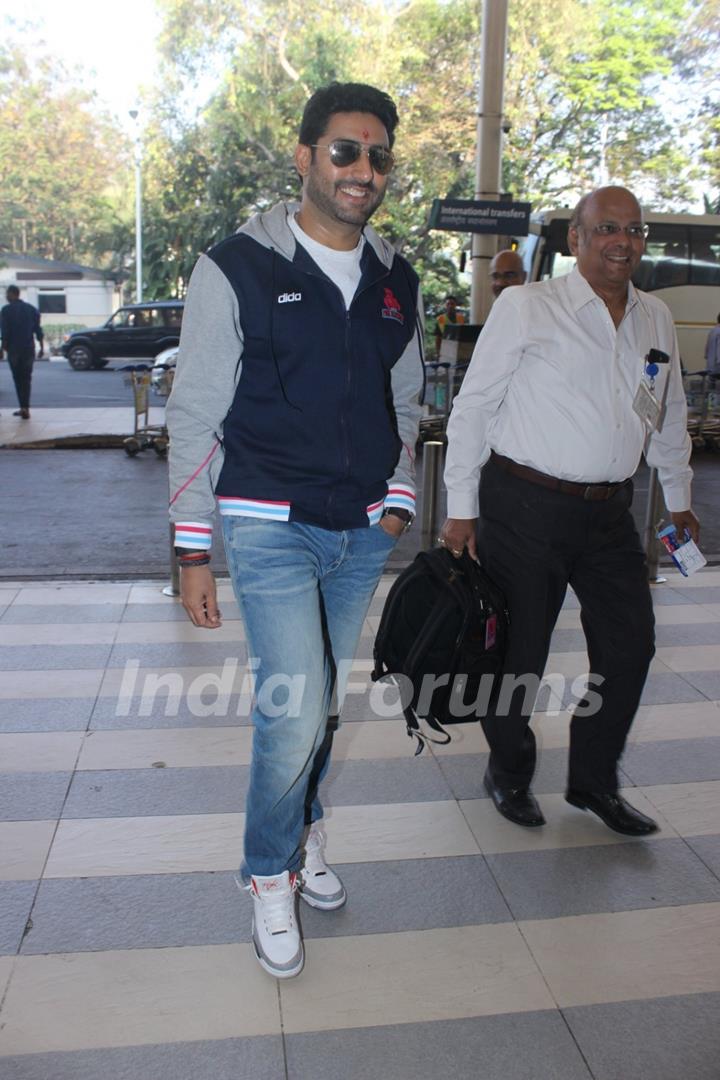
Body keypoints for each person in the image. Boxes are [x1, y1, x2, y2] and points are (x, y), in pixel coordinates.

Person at [167, 82, 423, 980]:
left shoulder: (396, 276)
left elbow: (405, 397)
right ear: (305, 155)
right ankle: (267, 872)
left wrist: (399, 497)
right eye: (346, 150)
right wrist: (192, 549)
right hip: (268, 520)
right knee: (294, 706)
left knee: (319, 703)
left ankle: (306, 830)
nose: (364, 169)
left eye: (380, 154)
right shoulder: (236, 265)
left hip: (358, 529)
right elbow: (195, 412)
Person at [441, 185, 698, 838]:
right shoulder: (531, 308)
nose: (623, 241)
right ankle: (509, 769)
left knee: (630, 645)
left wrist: (682, 499)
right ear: (577, 239)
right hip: (524, 507)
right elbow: (474, 407)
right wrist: (461, 508)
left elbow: (665, 418)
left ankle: (593, 781)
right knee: (518, 655)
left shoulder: (656, 318)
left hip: (611, 514)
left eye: (634, 230)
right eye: (607, 227)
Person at [0, 285, 44, 418]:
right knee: (26, 379)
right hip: (29, 349)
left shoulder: (6, 310)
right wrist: (41, 347)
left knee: (18, 378)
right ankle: (25, 408)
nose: (6, 297)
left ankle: (23, 407)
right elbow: (38, 330)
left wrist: (2, 349)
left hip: (14, 350)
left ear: (13, 294)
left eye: (7, 294)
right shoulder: (32, 310)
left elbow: (5, 331)